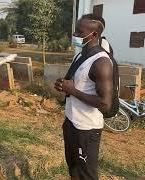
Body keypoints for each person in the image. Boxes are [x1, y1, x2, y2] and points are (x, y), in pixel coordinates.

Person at [54, 14, 114, 180]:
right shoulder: (80, 55)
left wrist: (73, 91)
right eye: (75, 30)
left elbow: (105, 104)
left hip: (87, 130)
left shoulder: (101, 63)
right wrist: (63, 86)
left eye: (79, 32)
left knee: (86, 175)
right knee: (74, 170)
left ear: (94, 35)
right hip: (71, 123)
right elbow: (75, 84)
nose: (75, 35)